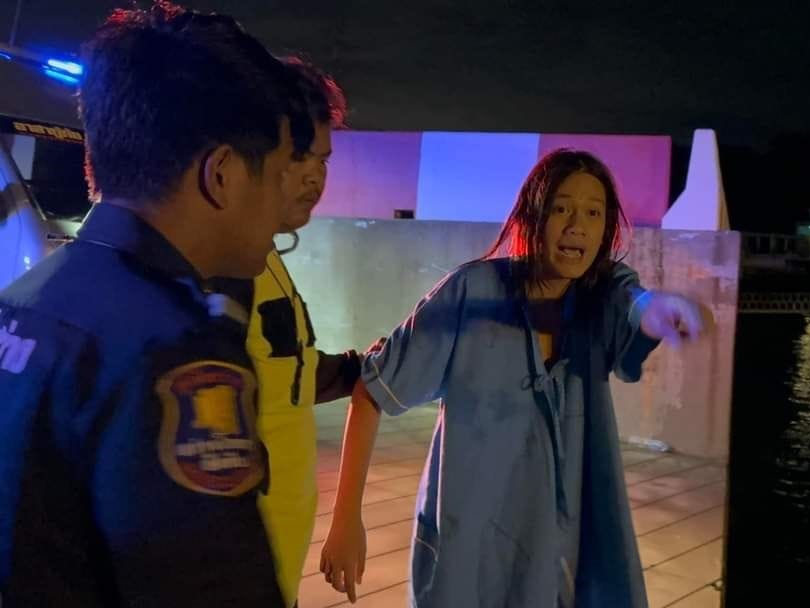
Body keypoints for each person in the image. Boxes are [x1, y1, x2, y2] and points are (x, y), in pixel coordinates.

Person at [0, 2, 313, 606]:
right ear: (222, 174)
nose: (283, 202)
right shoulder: (173, 352)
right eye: (277, 174)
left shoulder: (24, 305)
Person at [320, 149, 709, 606]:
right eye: (561, 208)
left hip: (556, 556)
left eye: (593, 213)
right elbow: (374, 387)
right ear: (533, 216)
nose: (577, 226)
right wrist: (345, 519)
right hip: (469, 548)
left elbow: (633, 300)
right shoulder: (469, 292)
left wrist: (657, 308)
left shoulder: (598, 300)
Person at [213, 57, 357, 608]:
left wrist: (364, 369)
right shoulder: (212, 269)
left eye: (323, 159)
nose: (316, 176)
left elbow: (283, 372)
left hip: (274, 565)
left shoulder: (263, 254)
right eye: (299, 156)